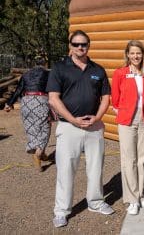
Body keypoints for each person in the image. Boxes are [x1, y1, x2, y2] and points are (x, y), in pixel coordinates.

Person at [47, 30, 114, 228]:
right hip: (69, 128)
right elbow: (53, 98)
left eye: (83, 44)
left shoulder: (98, 70)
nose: (80, 47)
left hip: (94, 127)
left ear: (88, 45)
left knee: (95, 168)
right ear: (70, 45)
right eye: (76, 44)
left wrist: (98, 117)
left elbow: (106, 98)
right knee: (66, 169)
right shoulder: (59, 68)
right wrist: (73, 120)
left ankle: (95, 202)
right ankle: (62, 210)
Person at [111, 40, 144, 215]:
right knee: (129, 160)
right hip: (127, 120)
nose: (136, 56)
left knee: (143, 158)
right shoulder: (120, 73)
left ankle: (141, 195)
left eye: (139, 53)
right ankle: (131, 199)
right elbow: (115, 99)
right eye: (132, 53)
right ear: (127, 54)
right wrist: (122, 112)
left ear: (143, 54)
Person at [4, 53, 51, 171]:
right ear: (44, 64)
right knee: (45, 127)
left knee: (32, 128)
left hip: (25, 102)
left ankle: (42, 153)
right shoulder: (48, 74)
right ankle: (38, 154)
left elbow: (18, 90)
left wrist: (9, 103)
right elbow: (53, 89)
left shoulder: (25, 74)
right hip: (40, 100)